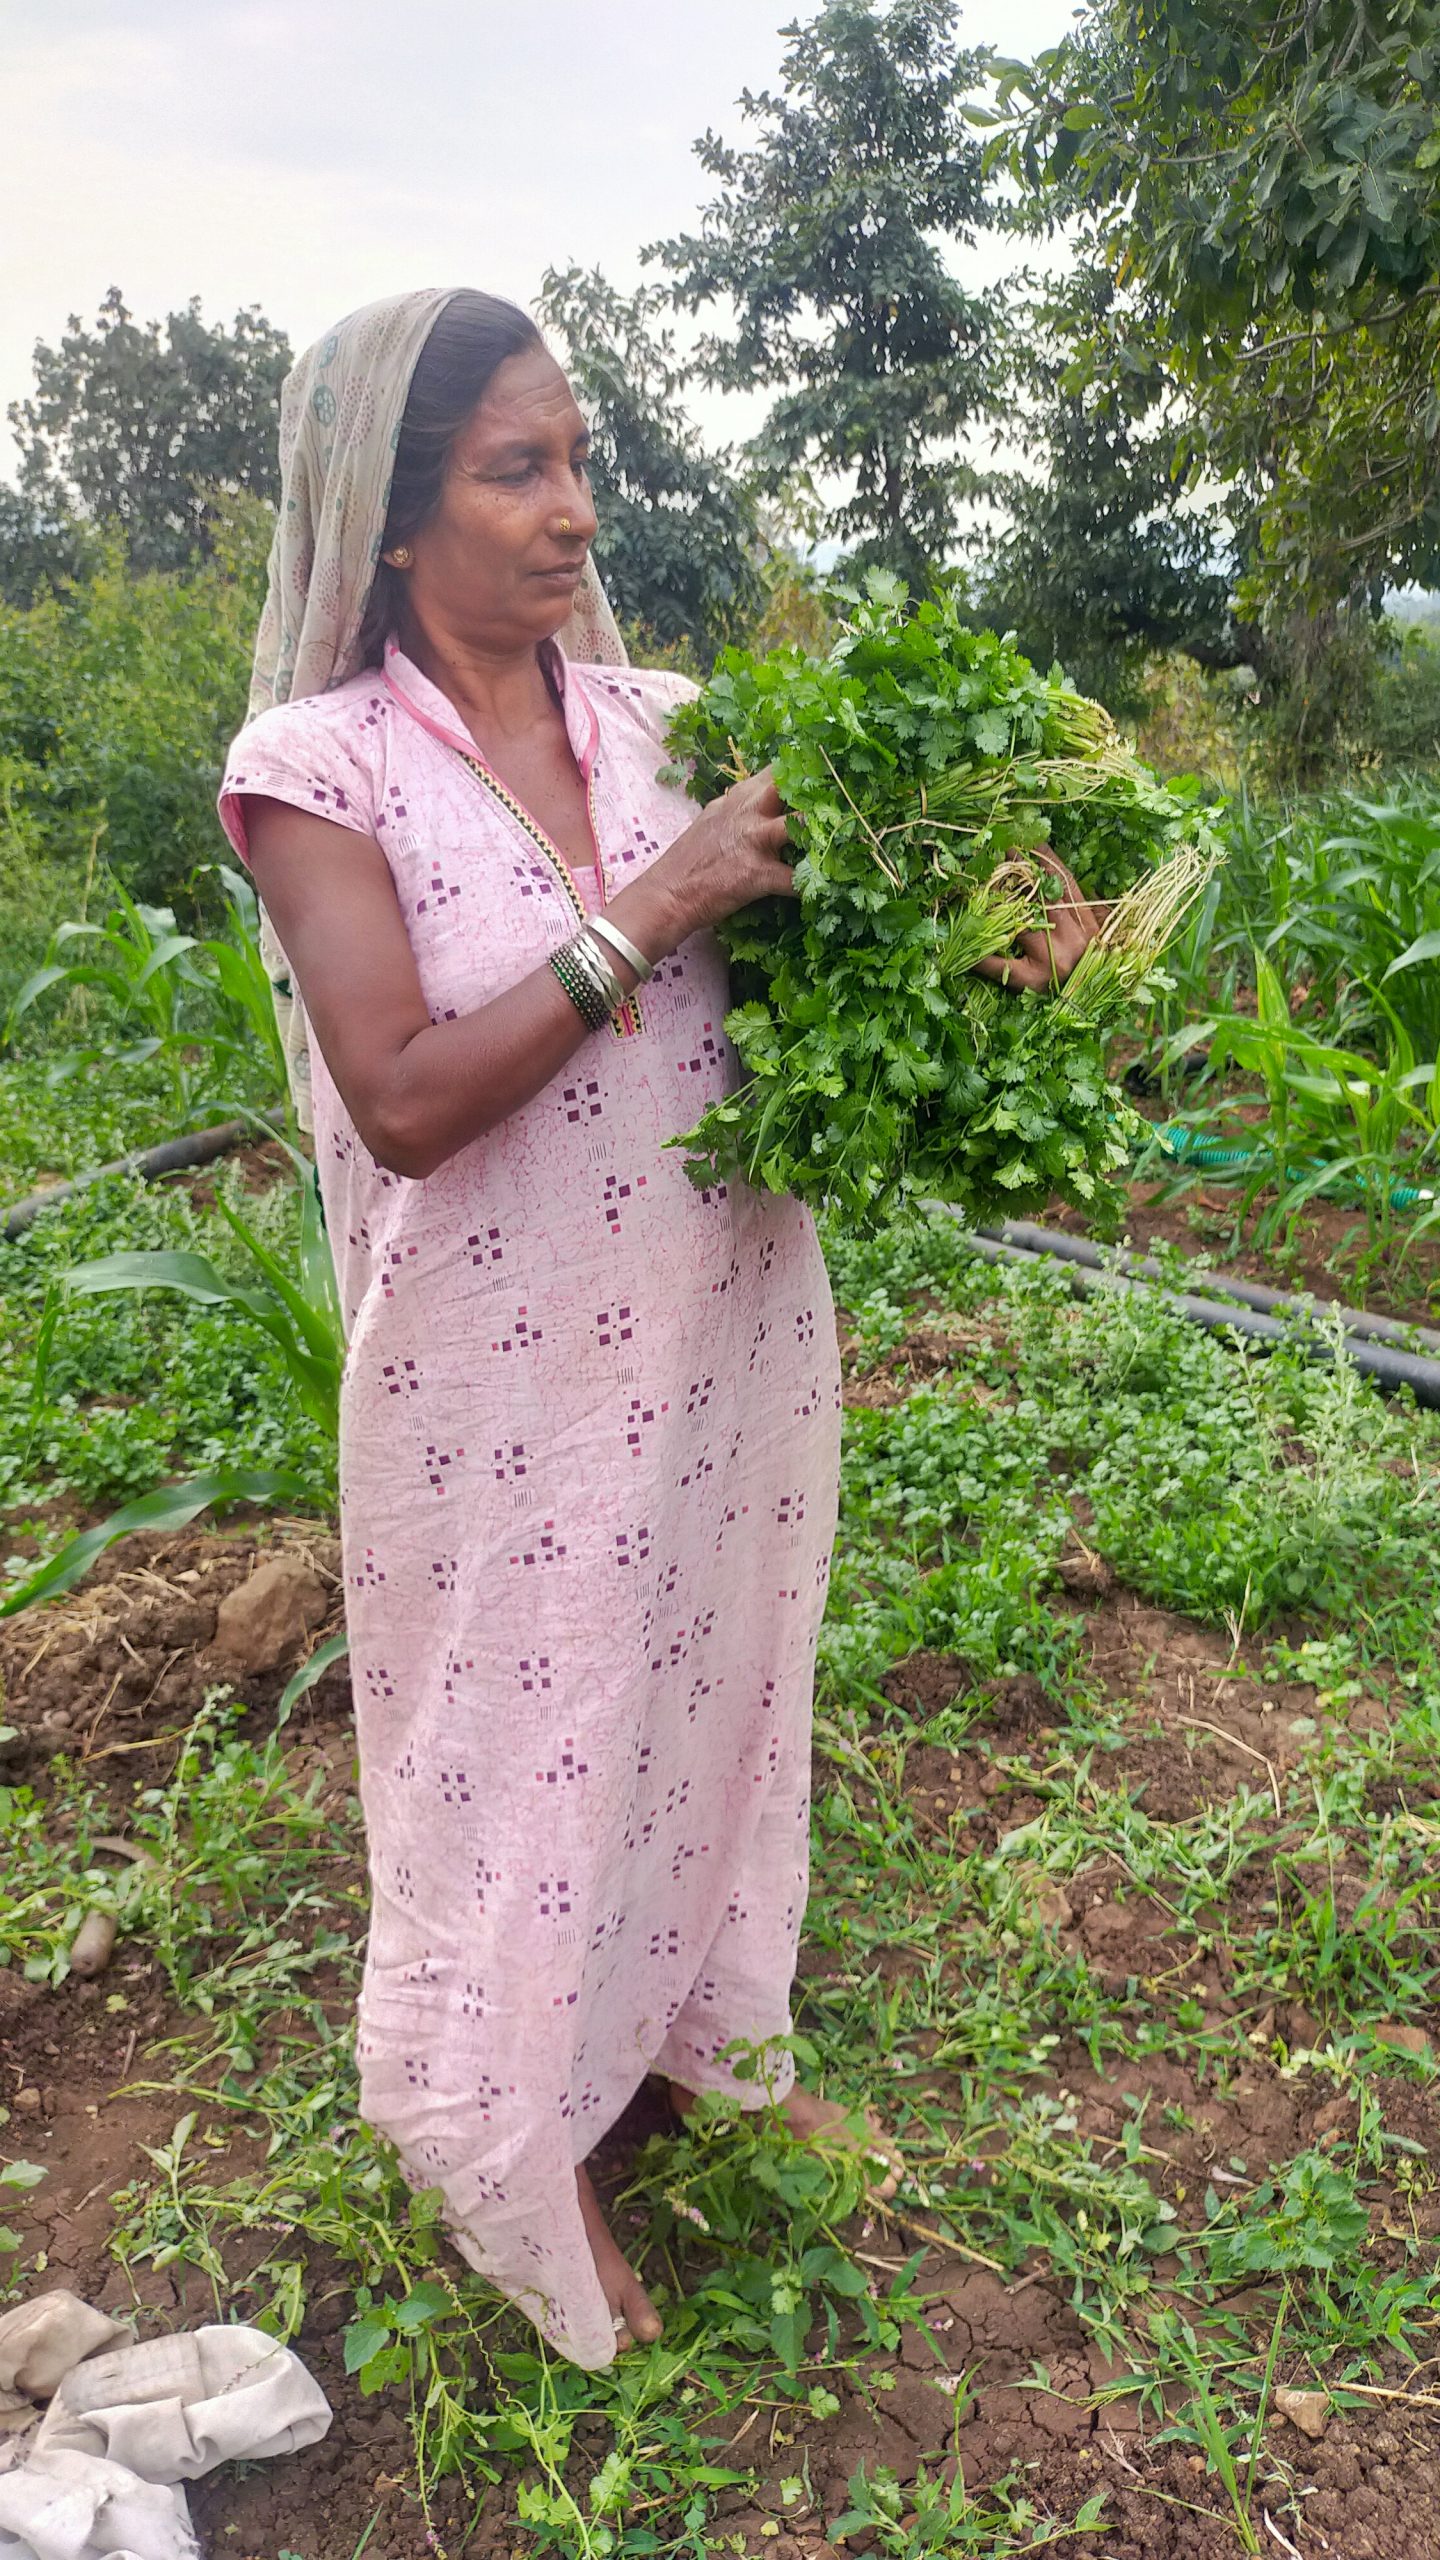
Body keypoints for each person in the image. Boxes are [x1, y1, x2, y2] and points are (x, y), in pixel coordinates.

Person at [218, 288, 1100, 2369]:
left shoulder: (660, 722)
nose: (573, 515)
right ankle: (522, 2133)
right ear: (393, 511)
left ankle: (699, 2035)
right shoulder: (317, 764)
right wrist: (657, 906)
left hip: (721, 1326)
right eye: (518, 470)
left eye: (582, 462)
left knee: (702, 1690)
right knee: (515, 1749)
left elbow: (826, 984)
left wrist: (1007, 963)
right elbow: (409, 1098)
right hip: (496, 1380)